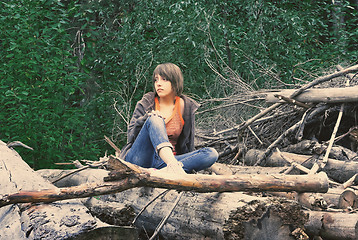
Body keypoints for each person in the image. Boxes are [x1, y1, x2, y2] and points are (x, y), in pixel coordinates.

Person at [119, 63, 218, 174]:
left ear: (175, 82)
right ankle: (172, 167)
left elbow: (188, 144)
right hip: (141, 159)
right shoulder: (147, 101)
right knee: (155, 119)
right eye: (156, 80)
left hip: (164, 163)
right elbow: (131, 136)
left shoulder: (186, 106)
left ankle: (163, 171)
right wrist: (146, 119)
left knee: (211, 153)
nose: (159, 84)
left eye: (164, 79)